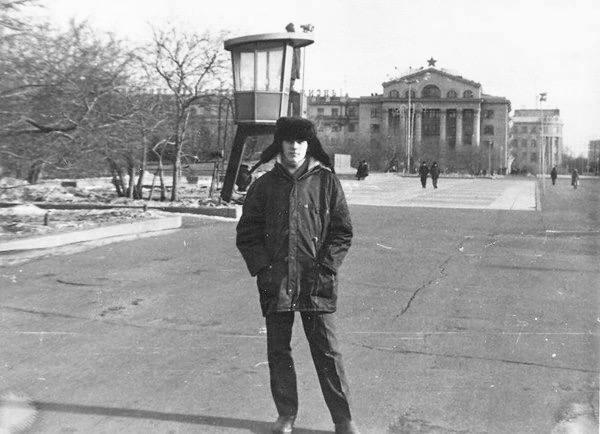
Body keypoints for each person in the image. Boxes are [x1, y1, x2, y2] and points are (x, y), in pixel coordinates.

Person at [236, 117, 359, 434]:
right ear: (280, 144)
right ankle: (286, 416)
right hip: (276, 283)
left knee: (327, 351)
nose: (294, 147)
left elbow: (342, 233)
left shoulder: (327, 183)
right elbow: (247, 234)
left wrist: (326, 267)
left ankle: (343, 420)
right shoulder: (264, 185)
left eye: (301, 141)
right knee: (278, 351)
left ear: (309, 145)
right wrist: (263, 269)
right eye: (289, 140)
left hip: (316, 283)